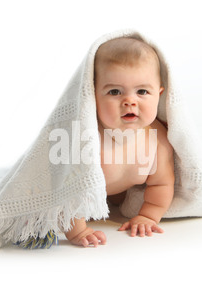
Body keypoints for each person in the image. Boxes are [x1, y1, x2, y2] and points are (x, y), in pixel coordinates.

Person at [65, 37, 175, 247]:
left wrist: (149, 215)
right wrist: (77, 231)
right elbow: (66, 187)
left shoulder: (158, 140)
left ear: (159, 95)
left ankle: (114, 200)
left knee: (120, 198)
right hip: (85, 195)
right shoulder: (86, 137)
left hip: (117, 194)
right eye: (114, 92)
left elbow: (162, 183)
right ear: (93, 96)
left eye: (142, 91)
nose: (129, 101)